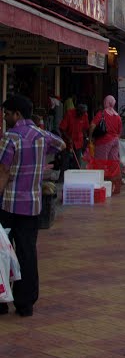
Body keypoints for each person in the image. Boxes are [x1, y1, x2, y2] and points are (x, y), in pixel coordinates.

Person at [0, 94, 65, 316]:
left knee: (3, 253)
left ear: (16, 114)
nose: (5, 117)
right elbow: (61, 144)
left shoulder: (11, 137)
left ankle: (1, 300)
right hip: (32, 205)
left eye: (7, 113)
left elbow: (3, 171)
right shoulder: (41, 135)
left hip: (8, 204)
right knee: (27, 253)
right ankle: (25, 303)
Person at [89, 96, 122, 163]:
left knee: (101, 163)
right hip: (115, 141)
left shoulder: (101, 114)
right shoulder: (117, 116)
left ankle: (103, 174)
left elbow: (92, 125)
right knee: (113, 163)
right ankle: (112, 174)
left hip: (103, 141)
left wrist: (90, 137)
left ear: (105, 102)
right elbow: (119, 132)